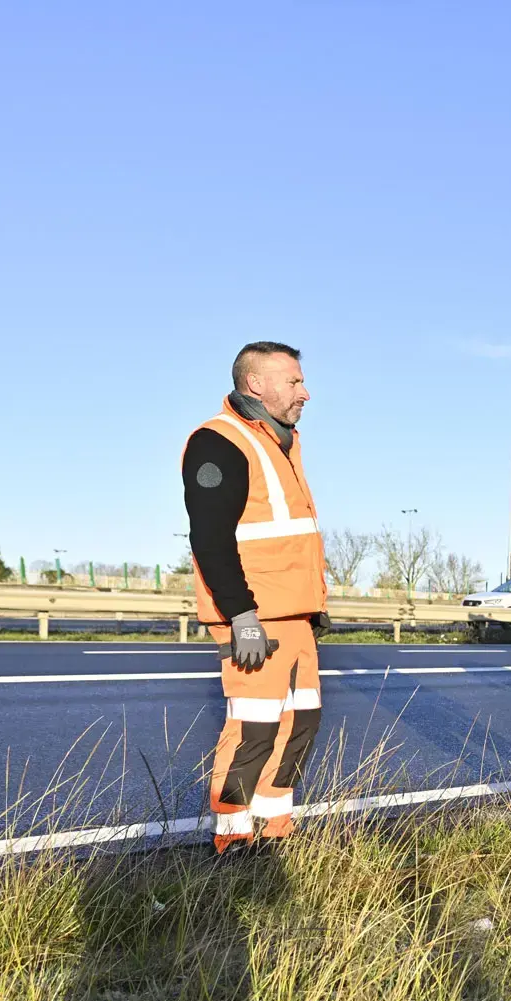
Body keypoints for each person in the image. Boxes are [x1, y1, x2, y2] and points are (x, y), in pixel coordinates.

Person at [181, 341, 330, 852]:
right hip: (256, 620)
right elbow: (210, 538)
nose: (305, 392)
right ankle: (232, 844)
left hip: (295, 619)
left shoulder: (282, 443)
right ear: (255, 384)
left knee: (299, 725)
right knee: (253, 731)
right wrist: (241, 614)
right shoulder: (219, 442)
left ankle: (273, 835)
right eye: (294, 382)